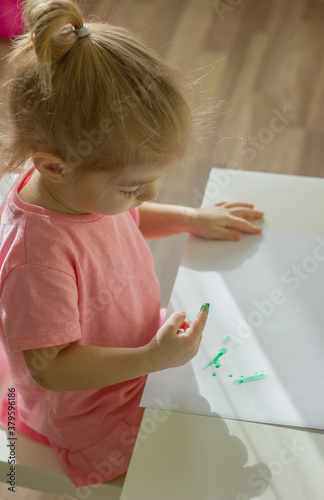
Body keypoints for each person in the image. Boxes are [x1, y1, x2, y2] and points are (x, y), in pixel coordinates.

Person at [0, 0, 264, 488]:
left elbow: (127, 217)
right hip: (88, 410)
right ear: (54, 164)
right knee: (177, 479)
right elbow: (50, 368)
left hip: (139, 359)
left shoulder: (80, 192)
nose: (150, 195)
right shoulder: (38, 257)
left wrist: (190, 219)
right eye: (132, 186)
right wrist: (150, 359)